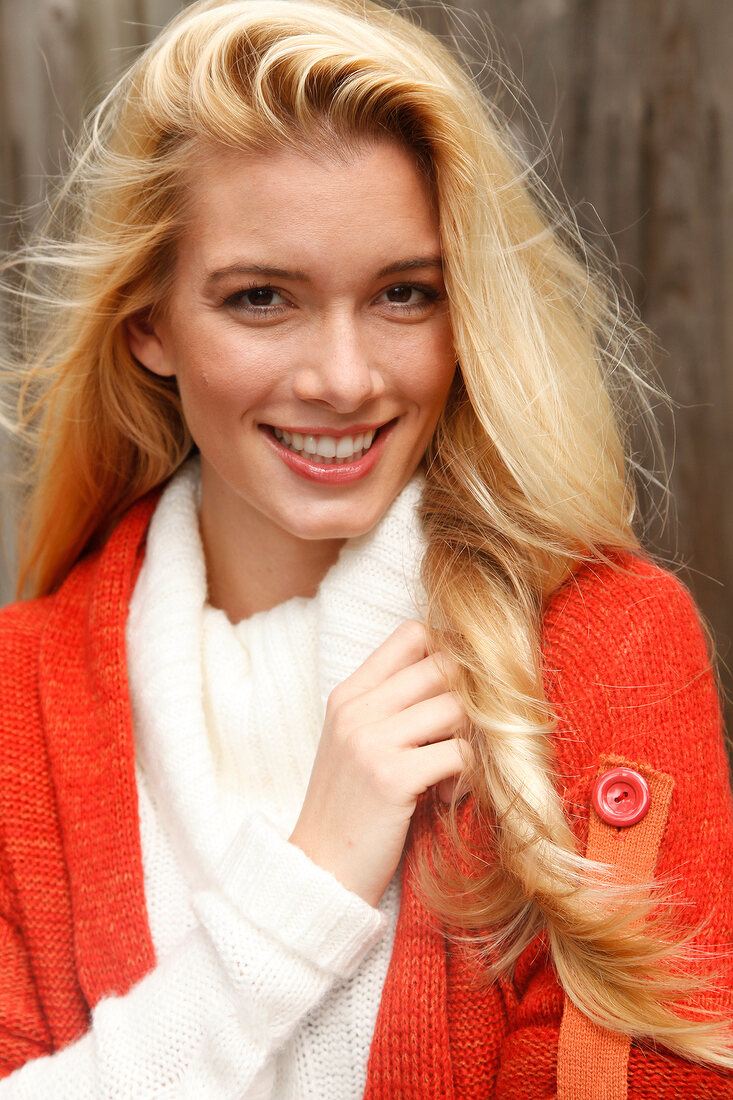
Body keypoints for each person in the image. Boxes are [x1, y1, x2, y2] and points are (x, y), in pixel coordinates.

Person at [0, 0, 731, 1095]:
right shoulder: (21, 699)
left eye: (403, 294)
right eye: (262, 299)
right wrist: (309, 885)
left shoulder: (602, 650)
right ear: (147, 321)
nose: (343, 377)